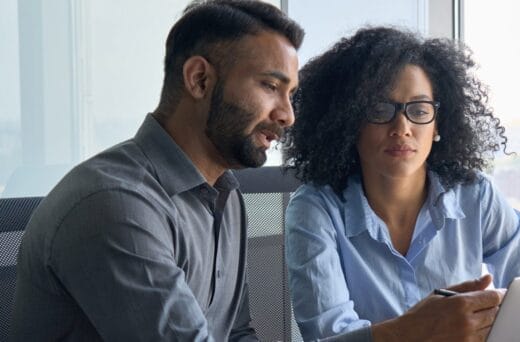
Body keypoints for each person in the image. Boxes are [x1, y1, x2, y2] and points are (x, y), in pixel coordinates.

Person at [10, 1, 304, 340]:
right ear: (200, 79)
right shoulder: (115, 204)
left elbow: (236, 333)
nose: (287, 115)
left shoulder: (226, 195)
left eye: (290, 94)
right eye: (270, 86)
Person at [283, 27, 520, 341]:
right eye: (381, 110)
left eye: (419, 110)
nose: (402, 128)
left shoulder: (476, 195)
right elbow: (328, 336)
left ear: (437, 125)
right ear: (349, 121)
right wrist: (420, 330)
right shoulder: (315, 209)